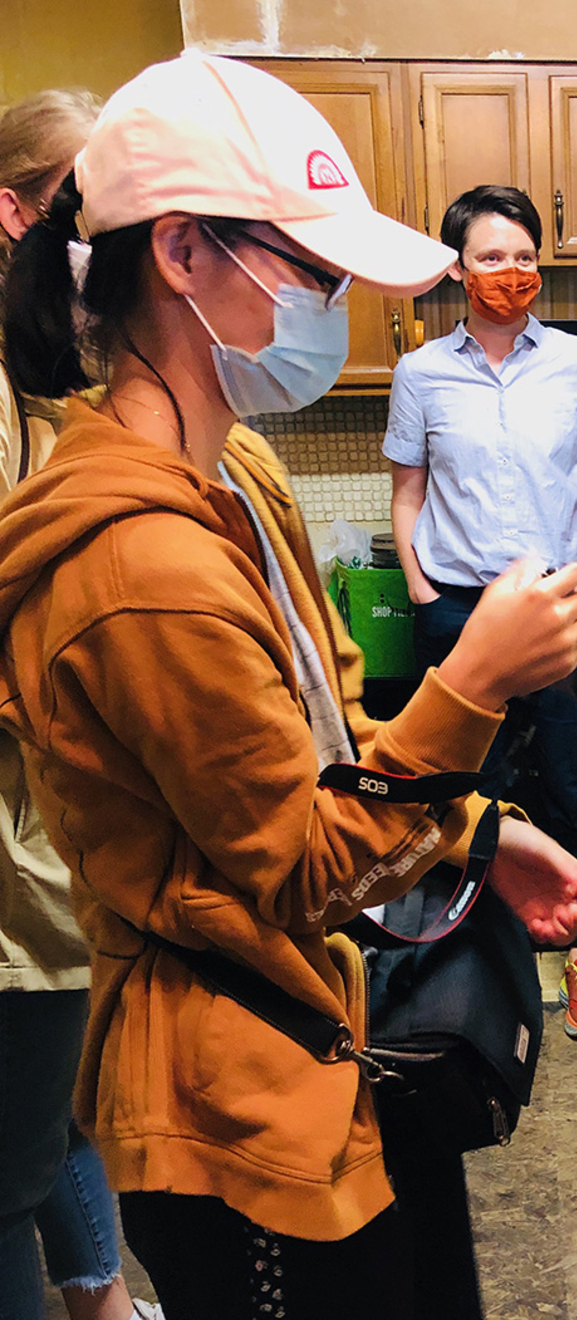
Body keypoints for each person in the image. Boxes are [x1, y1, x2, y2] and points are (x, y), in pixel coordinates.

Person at [0, 52, 577, 1320]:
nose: (334, 303)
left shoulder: (244, 480)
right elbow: (303, 863)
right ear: (180, 252)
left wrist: (480, 832)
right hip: (233, 1101)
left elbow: (327, 741)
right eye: (312, 268)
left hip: (321, 1037)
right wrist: (474, 685)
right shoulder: (135, 563)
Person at [385, 185, 577, 1039]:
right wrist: (424, 592)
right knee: (464, 794)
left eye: (525, 256)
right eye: (493, 257)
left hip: (561, 609)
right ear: (459, 269)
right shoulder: (420, 372)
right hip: (460, 610)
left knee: (574, 783)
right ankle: (472, 960)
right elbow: (406, 494)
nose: (512, 271)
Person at [0, 87, 163, 1320]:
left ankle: (103, 1302)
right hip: (21, 869)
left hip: (59, 854)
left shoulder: (51, 385)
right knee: (8, 1164)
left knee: (52, 1114)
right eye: (91, 199)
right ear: (22, 211)